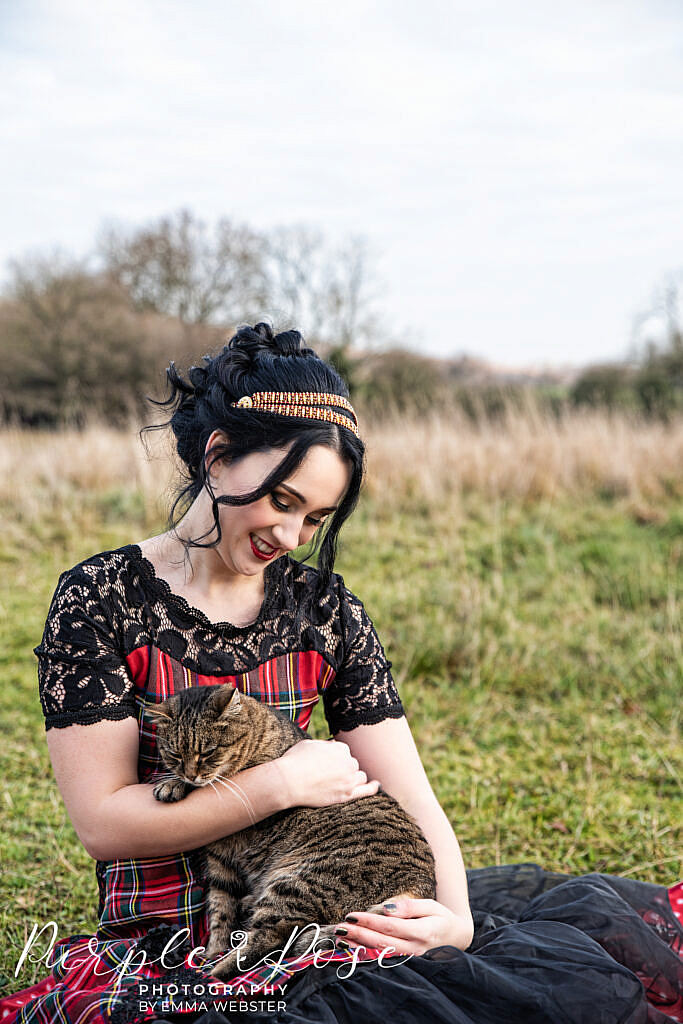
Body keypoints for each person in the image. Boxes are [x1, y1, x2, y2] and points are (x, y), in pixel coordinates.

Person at [1, 323, 681, 1024]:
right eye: (283, 501)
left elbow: (410, 792)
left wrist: (455, 922)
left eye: (316, 518)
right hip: (173, 949)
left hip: (322, 926)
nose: (291, 538)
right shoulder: (101, 596)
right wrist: (277, 784)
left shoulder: (323, 610)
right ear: (218, 455)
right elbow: (104, 824)